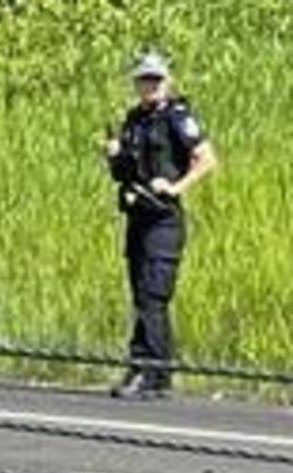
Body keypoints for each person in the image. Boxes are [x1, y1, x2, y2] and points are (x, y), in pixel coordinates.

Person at [105, 51, 218, 399]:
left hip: (164, 220)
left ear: (166, 81)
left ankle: (150, 369)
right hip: (138, 215)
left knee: (154, 294)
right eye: (144, 80)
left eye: (155, 80)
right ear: (136, 83)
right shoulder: (134, 119)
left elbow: (207, 160)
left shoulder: (177, 118)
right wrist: (114, 155)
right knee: (141, 294)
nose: (149, 86)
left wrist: (175, 187)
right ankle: (150, 371)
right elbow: (125, 173)